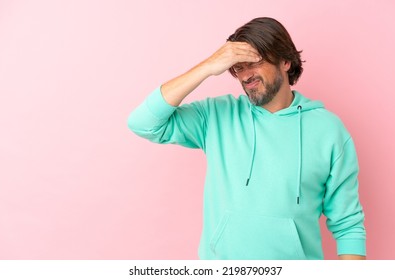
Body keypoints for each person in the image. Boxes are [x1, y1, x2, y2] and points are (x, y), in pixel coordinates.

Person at [128, 17, 366, 260]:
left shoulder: (328, 130)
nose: (245, 76)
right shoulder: (216, 116)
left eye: (253, 62)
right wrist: (208, 66)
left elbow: (348, 225)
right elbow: (143, 123)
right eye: (237, 67)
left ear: (285, 61)